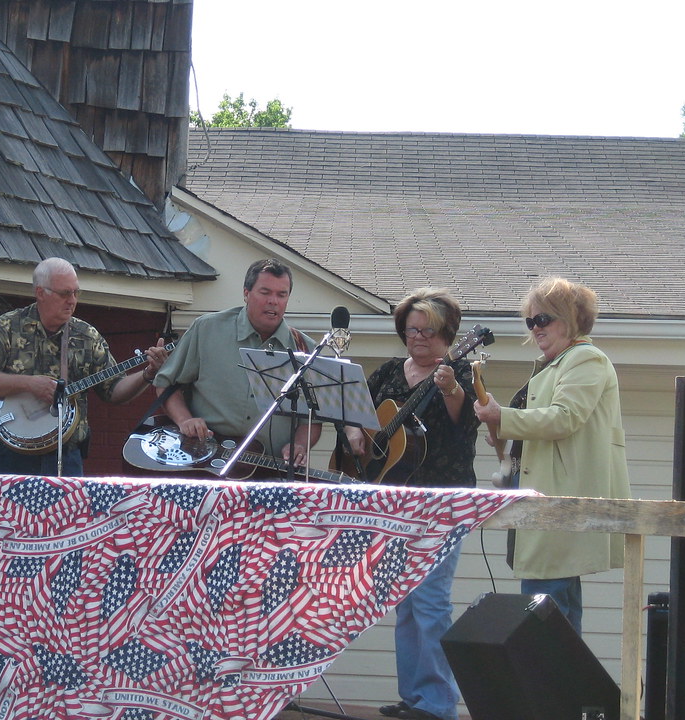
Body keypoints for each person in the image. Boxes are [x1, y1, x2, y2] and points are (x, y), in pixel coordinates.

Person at [344, 288, 478, 720]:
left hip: (441, 501)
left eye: (429, 331)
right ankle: (415, 698)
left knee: (431, 600)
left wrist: (452, 388)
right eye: (411, 329)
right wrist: (354, 432)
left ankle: (439, 706)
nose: (418, 337)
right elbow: (353, 408)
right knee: (404, 600)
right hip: (392, 499)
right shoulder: (387, 372)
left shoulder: (458, 373)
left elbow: (463, 420)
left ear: (449, 334)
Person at [473, 277, 631, 635]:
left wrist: (503, 417)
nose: (536, 328)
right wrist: (504, 431)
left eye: (543, 319)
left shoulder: (585, 358)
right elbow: (544, 428)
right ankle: (555, 688)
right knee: (544, 607)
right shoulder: (556, 363)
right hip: (543, 501)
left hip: (559, 501)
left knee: (548, 613)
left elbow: (565, 417)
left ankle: (559, 689)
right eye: (531, 321)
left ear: (571, 318)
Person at [0, 257, 167, 476]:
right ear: (41, 293)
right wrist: (29, 384)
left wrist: (147, 374)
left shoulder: (87, 336)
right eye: (64, 294)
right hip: (8, 454)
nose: (72, 300)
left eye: (76, 293)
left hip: (65, 454)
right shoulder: (7, 326)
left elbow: (114, 390)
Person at [152, 258, 321, 473]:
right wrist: (185, 420)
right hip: (204, 464)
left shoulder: (305, 349)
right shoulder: (206, 329)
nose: (273, 301)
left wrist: (299, 445)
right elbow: (166, 383)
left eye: (281, 294)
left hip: (270, 472)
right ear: (246, 293)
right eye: (265, 292)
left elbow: (313, 419)